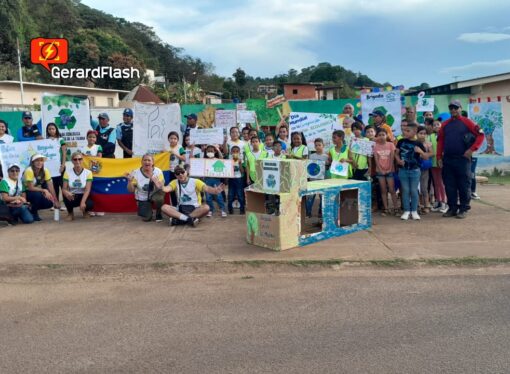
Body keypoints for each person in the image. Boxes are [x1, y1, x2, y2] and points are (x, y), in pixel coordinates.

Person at [437, 100, 484, 219]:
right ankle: (452, 208)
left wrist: (472, 149)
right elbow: (440, 141)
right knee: (449, 185)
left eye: (456, 108)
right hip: (448, 159)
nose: (453, 110)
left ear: (460, 108)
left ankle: (463, 208)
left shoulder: (467, 122)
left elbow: (481, 135)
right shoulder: (445, 124)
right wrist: (439, 156)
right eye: (451, 108)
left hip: (463, 159)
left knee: (464, 185)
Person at [395, 122, 427, 221]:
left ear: (414, 132)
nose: (405, 132)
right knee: (405, 190)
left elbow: (425, 157)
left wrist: (420, 152)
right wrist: (398, 160)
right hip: (403, 170)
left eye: (408, 131)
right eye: (404, 130)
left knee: (413, 190)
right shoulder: (401, 141)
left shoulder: (418, 143)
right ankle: (406, 211)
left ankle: (414, 210)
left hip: (415, 170)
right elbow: (395, 153)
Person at [126, 153, 165, 222]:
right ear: (141, 162)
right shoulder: (135, 173)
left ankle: (158, 213)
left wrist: (155, 182)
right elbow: (131, 190)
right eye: (145, 160)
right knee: (146, 218)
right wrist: (129, 181)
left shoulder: (158, 171)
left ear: (152, 162)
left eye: (149, 160)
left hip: (155, 194)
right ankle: (148, 210)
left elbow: (161, 187)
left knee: (159, 197)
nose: (147, 162)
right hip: (142, 197)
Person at [23, 154, 60, 221]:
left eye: (41, 160)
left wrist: (55, 200)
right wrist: (44, 190)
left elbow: (50, 186)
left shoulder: (45, 170)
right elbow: (30, 187)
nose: (39, 162)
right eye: (36, 161)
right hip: (25, 192)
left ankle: (31, 208)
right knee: (37, 195)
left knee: (50, 202)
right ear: (32, 162)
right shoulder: (29, 170)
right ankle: (34, 213)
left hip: (36, 191)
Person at [62, 152, 94, 221]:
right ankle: (70, 213)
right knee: (65, 194)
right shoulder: (67, 172)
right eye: (75, 159)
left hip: (83, 195)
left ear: (82, 160)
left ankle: (85, 211)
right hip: (73, 195)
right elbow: (64, 188)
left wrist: (82, 202)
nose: (77, 161)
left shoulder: (88, 173)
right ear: (72, 161)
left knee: (90, 204)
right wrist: (67, 192)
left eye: (80, 159)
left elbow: (87, 189)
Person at [373, 128, 398, 216]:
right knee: (383, 190)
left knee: (392, 190)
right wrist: (380, 169)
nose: (381, 137)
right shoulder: (375, 146)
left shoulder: (390, 145)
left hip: (390, 170)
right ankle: (386, 208)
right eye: (379, 135)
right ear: (377, 136)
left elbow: (392, 158)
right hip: (380, 172)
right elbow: (376, 159)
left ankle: (396, 208)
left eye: (383, 135)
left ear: (386, 135)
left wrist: (389, 168)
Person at [425, 119, 447, 213]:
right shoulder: (430, 137)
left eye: (438, 124)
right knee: (436, 183)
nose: (436, 126)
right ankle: (438, 201)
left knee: (442, 184)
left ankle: (444, 202)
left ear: (441, 125)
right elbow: (428, 148)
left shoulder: (445, 136)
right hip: (433, 163)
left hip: (442, 163)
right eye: (434, 125)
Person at [46, 122, 67, 211]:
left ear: (56, 130)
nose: (51, 130)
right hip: (50, 168)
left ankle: (66, 204)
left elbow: (64, 153)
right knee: (53, 187)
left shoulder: (60, 140)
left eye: (53, 129)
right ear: (47, 130)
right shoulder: (45, 141)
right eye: (49, 129)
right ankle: (55, 203)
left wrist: (63, 164)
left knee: (62, 186)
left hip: (59, 167)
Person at [306, 138, 328, 218]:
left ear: (323, 146)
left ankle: (320, 213)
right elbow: (308, 168)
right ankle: (308, 213)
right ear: (314, 147)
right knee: (310, 197)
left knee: (323, 197)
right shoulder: (311, 156)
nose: (318, 147)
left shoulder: (326, 157)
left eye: (319, 145)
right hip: (313, 181)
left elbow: (328, 167)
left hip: (323, 181)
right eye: (316, 145)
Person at [203, 144, 226, 218]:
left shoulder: (217, 160)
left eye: (212, 151)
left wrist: (218, 149)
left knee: (219, 195)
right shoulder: (204, 160)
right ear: (206, 151)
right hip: (207, 180)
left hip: (216, 180)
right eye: (208, 151)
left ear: (214, 152)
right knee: (208, 196)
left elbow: (222, 159)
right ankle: (210, 210)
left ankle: (223, 209)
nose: (210, 152)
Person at [416, 126, 434, 214]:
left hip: (424, 169)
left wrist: (423, 154)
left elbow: (431, 153)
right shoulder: (414, 144)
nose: (422, 135)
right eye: (420, 133)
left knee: (424, 188)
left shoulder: (428, 144)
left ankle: (426, 205)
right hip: (415, 169)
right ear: (416, 134)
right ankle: (419, 205)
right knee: (416, 188)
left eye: (424, 134)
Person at [168, 131, 186, 206]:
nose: (173, 140)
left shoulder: (180, 147)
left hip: (178, 171)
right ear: (168, 139)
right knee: (171, 188)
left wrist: (175, 153)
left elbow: (184, 158)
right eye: (171, 138)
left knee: (180, 187)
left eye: (175, 138)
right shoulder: (166, 148)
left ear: (177, 140)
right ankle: (174, 205)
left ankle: (181, 203)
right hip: (169, 171)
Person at [227, 145, 245, 215]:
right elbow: (227, 170)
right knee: (230, 195)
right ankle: (230, 209)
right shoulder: (229, 159)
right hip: (231, 179)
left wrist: (240, 164)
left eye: (237, 151)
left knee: (240, 194)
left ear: (239, 152)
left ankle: (242, 209)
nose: (235, 152)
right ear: (231, 152)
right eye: (233, 151)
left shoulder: (241, 159)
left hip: (239, 179)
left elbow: (242, 171)